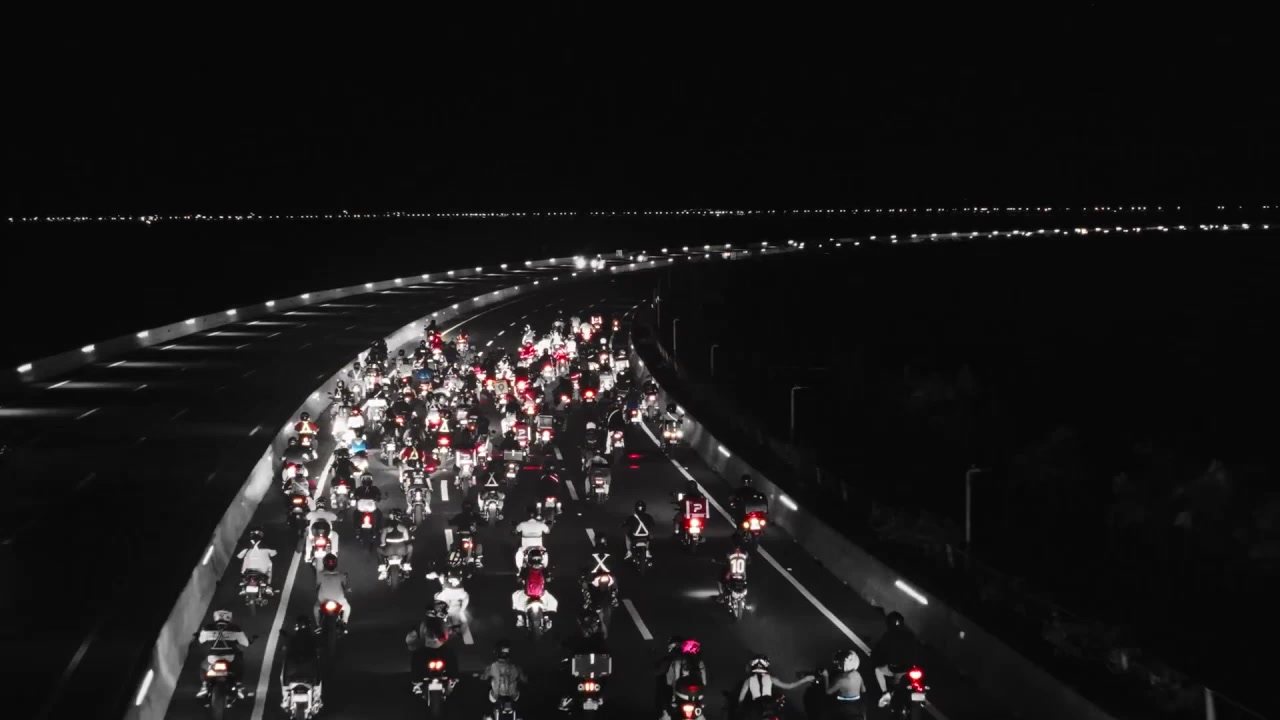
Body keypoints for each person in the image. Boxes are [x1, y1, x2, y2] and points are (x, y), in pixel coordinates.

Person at [195, 609, 251, 699]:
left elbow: (201, 640)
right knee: (239, 664)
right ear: (229, 617)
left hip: (212, 658)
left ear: (215, 617)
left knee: (203, 666)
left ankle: (204, 686)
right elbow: (246, 643)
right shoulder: (235, 628)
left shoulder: (207, 627)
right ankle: (239, 686)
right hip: (230, 657)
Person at [736, 654, 814, 715]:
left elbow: (740, 700)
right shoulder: (771, 679)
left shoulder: (748, 681)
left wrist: (740, 708)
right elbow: (790, 686)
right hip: (770, 708)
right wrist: (805, 679)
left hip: (756, 710)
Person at [278, 615, 322, 712]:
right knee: (318, 678)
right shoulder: (313, 638)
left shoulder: (291, 638)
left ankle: (285, 698)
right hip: (310, 670)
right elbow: (319, 648)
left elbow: (284, 647)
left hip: (292, 670)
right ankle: (316, 697)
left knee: (283, 677)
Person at [871, 611, 919, 696]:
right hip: (910, 667)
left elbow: (879, 649)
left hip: (896, 668)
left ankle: (885, 692)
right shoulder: (910, 634)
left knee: (878, 670)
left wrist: (874, 654)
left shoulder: (888, 635)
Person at [512, 550, 557, 626]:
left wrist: (520, 577)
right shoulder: (543, 569)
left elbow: (519, 579)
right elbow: (548, 580)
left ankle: (520, 619)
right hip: (541, 595)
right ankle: (546, 618)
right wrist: (550, 577)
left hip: (528, 595)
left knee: (515, 597)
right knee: (552, 602)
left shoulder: (527, 568)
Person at [479, 641, 527, 706]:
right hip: (513, 695)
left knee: (491, 695)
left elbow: (483, 677)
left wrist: (483, 676)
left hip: (496, 695)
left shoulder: (491, 667)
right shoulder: (516, 667)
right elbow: (524, 680)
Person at [824, 650, 867, 716]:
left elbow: (828, 692)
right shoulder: (858, 674)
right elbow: (863, 689)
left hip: (845, 707)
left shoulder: (841, 680)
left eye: (840, 664)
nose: (838, 666)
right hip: (858, 705)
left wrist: (825, 676)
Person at [314, 553, 351, 625]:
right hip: (339, 601)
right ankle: (344, 622)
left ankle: (318, 624)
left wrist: (316, 590)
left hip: (323, 601)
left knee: (316, 608)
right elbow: (345, 587)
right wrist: (347, 590)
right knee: (347, 608)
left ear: (324, 563)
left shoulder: (320, 575)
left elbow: (317, 587)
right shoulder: (341, 575)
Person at [582, 536, 618, 608]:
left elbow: (585, 563)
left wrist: (583, 572)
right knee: (614, 580)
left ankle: (588, 598)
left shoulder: (590, 551)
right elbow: (614, 563)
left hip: (593, 575)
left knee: (584, 582)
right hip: (607, 574)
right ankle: (614, 597)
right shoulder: (610, 551)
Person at [513, 506, 551, 571]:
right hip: (539, 547)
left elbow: (516, 531)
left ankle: (519, 569)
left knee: (519, 553)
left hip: (525, 547)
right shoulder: (541, 524)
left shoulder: (522, 524)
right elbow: (548, 531)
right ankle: (545, 568)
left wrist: (514, 531)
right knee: (545, 554)